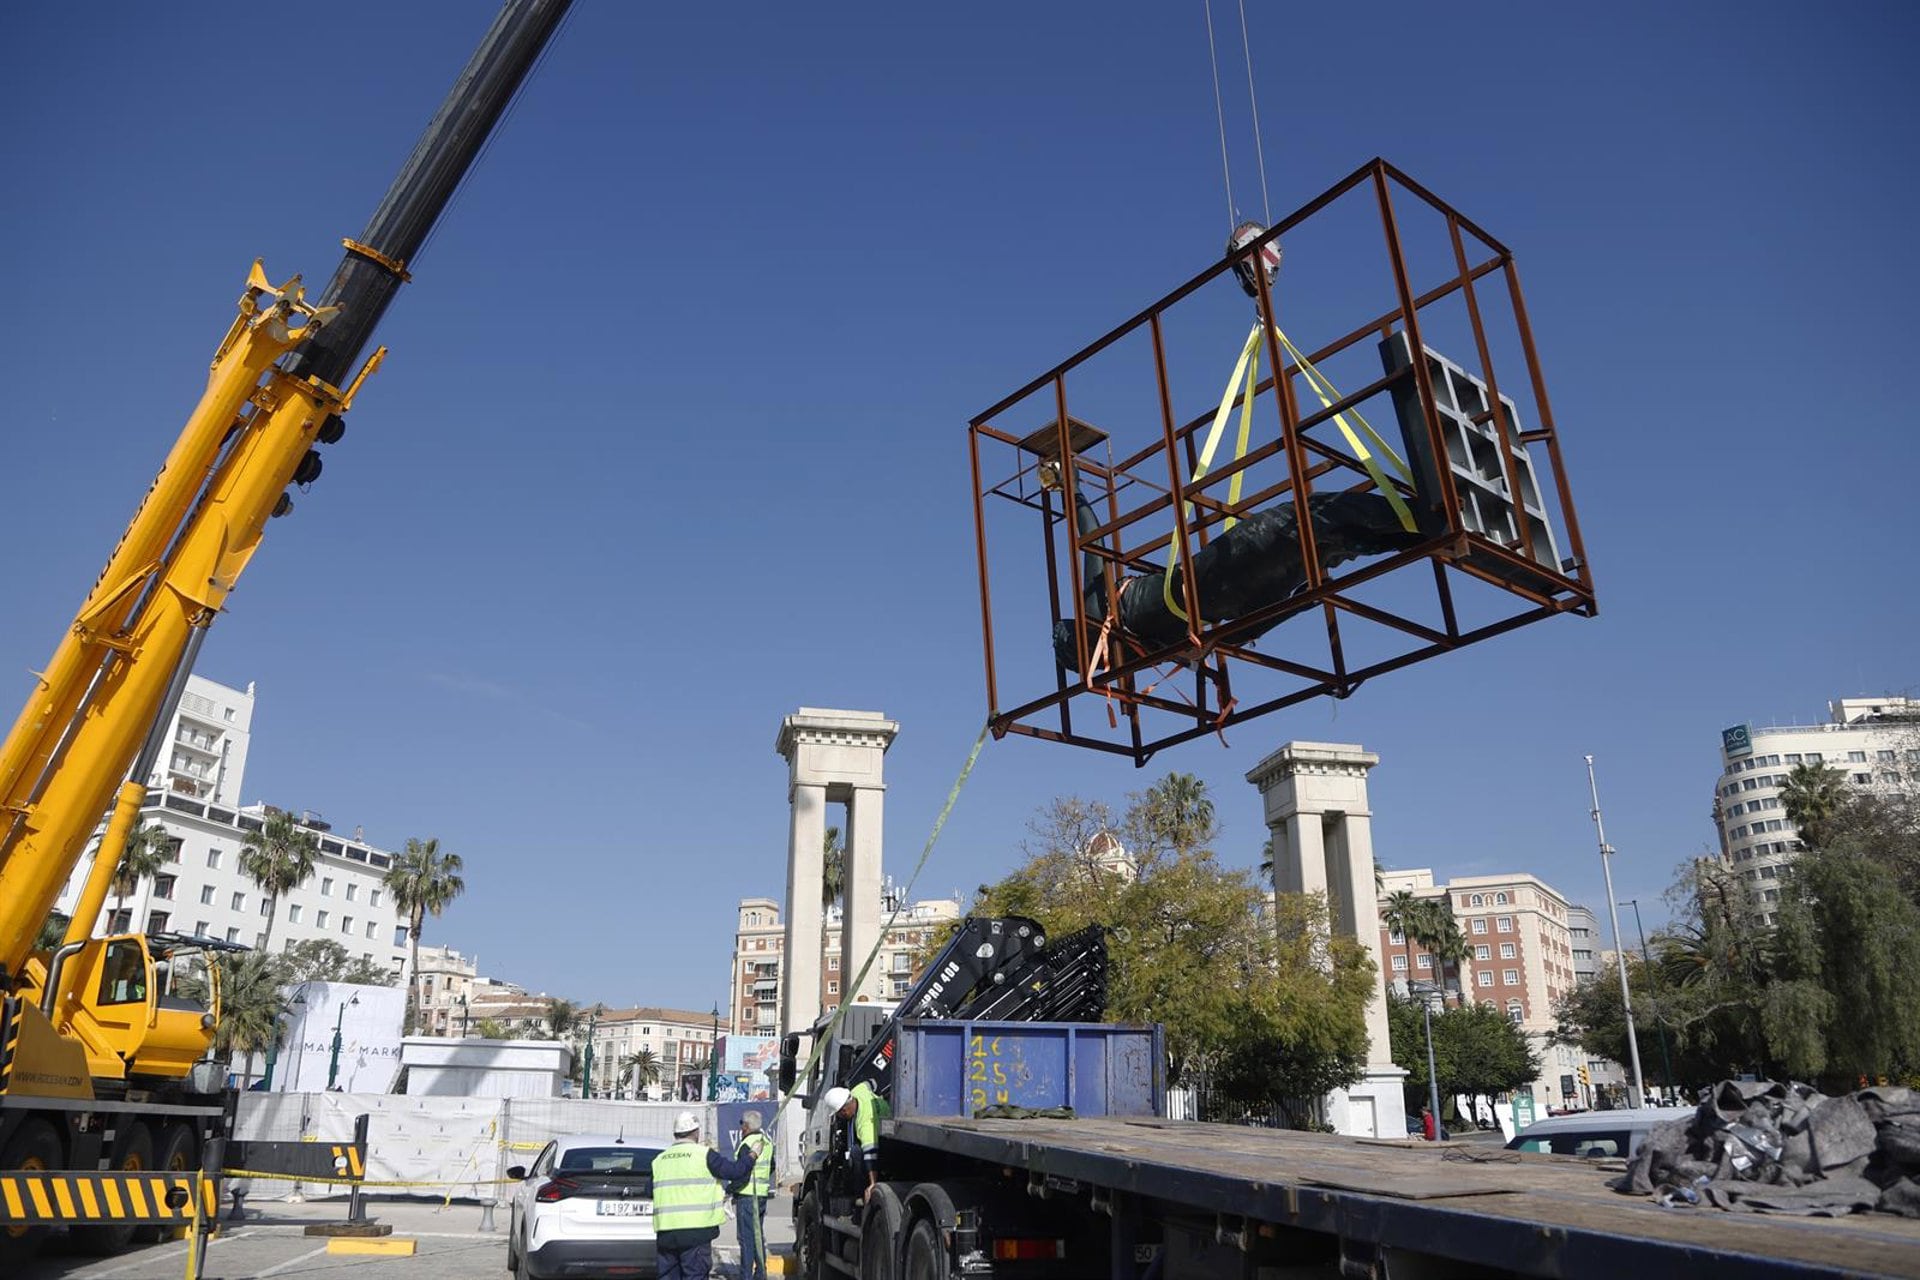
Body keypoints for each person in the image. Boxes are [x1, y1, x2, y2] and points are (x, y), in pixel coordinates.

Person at [651, 1110, 753, 1280]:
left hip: (666, 1235)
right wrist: (751, 1156)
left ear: (675, 1133)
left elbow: (650, 1190)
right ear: (696, 1132)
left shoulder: (659, 1160)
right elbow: (735, 1171)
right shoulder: (704, 1155)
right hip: (696, 1235)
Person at [823, 1082, 890, 1204]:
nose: (841, 1117)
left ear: (843, 1111)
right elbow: (872, 1083)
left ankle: (860, 1195)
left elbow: (871, 1155)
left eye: (839, 1115)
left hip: (888, 1141)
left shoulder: (865, 1123)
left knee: (856, 1152)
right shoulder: (857, 1090)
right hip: (888, 1120)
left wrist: (873, 1184)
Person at [731, 1110, 775, 1280]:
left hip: (748, 1196)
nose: (741, 1126)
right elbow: (772, 1166)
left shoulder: (746, 1144)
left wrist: (729, 1191)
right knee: (757, 1236)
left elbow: (741, 1171)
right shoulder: (767, 1142)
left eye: (742, 1123)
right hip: (761, 1195)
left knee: (746, 1239)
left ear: (747, 1126)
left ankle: (747, 1276)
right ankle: (760, 1273)